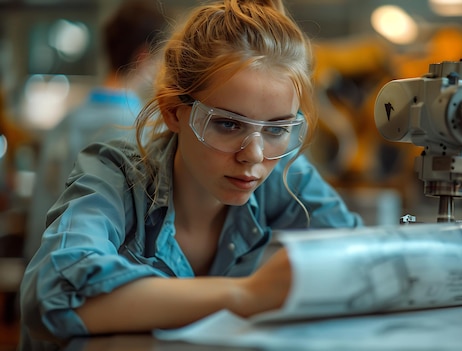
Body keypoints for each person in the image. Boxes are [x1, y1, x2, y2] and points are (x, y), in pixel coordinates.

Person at [19, 0, 363, 349]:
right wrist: (244, 295)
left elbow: (367, 266)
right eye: (228, 124)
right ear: (173, 112)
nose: (254, 155)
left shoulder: (284, 175)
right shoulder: (116, 174)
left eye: (277, 129)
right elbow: (52, 296)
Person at [23, 0, 168, 260]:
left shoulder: (65, 122)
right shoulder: (139, 132)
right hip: (96, 277)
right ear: (144, 57)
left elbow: (42, 210)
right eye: (161, 59)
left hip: (46, 270)